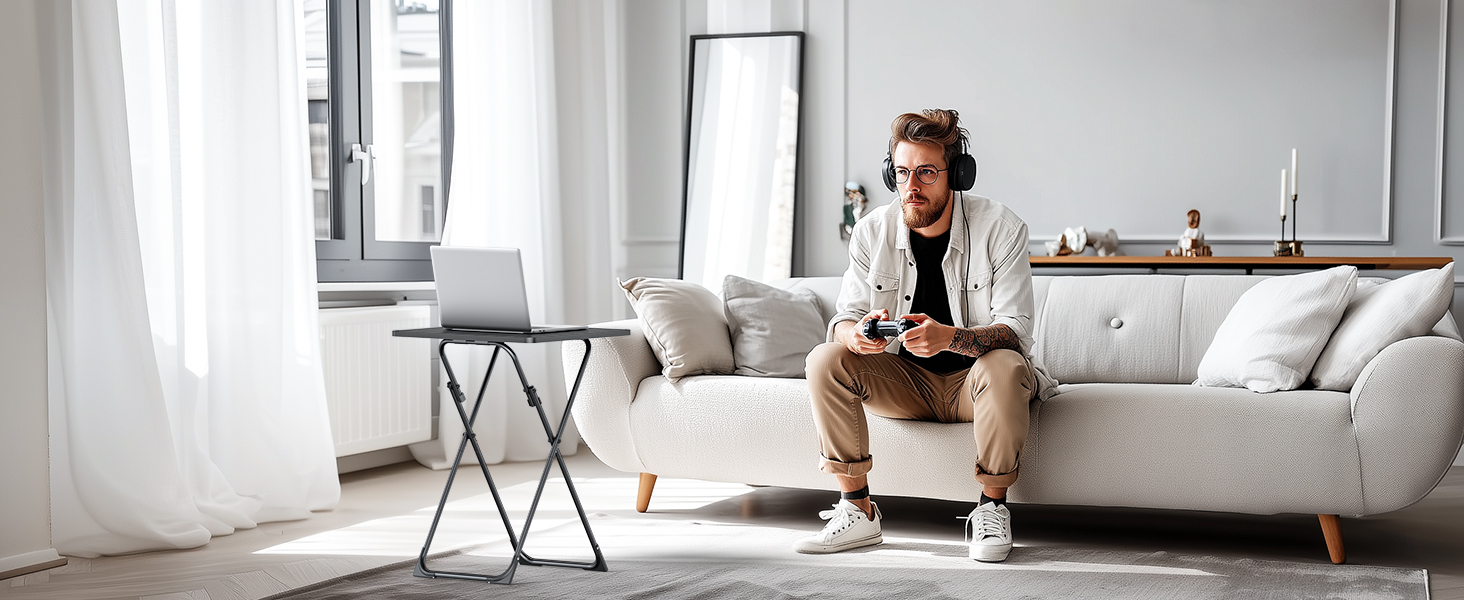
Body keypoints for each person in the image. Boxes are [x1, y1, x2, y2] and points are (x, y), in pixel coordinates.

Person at [794, 109, 1056, 562]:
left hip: (976, 385)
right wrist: (856, 336)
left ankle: (992, 509)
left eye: (927, 173)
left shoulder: (1002, 228)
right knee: (824, 358)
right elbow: (842, 320)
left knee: (1005, 363)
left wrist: (950, 338)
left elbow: (1015, 333)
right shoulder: (871, 231)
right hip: (905, 385)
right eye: (901, 173)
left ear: (958, 174)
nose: (911, 187)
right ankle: (858, 510)